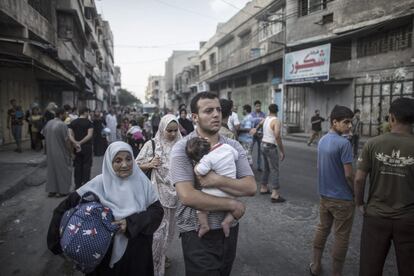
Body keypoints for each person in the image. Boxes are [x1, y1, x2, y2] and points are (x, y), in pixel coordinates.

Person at [170, 92, 256, 276]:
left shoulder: (233, 146)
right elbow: (187, 195)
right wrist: (233, 204)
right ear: (195, 117)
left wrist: (215, 180)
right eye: (208, 111)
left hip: (228, 230)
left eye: (218, 109)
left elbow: (250, 187)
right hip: (196, 232)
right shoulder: (184, 148)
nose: (216, 114)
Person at [47, 141, 164, 275]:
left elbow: (157, 211)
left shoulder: (142, 182)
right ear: (109, 162)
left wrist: (131, 223)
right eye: (118, 160)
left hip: (137, 253)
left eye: (128, 159)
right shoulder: (98, 183)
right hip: (103, 255)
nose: (124, 165)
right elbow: (64, 208)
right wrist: (56, 243)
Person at [354, 98, 414, 276]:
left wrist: (359, 203)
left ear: (391, 118)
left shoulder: (373, 143)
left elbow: (358, 179)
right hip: (409, 219)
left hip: (376, 217)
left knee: (370, 268)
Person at [309, 105, 354, 276]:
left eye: (351, 122)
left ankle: (316, 265)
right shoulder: (344, 144)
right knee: (341, 237)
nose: (349, 126)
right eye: (346, 122)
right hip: (342, 199)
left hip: (325, 196)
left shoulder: (322, 140)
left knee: (322, 229)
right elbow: (349, 175)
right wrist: (356, 193)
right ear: (334, 122)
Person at [136, 114, 182, 276]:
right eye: (169, 130)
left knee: (169, 232)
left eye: (175, 130)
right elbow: (135, 164)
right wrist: (150, 164)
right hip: (156, 196)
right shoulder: (153, 145)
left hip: (175, 197)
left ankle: (161, 256)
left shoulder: (180, 145)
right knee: (157, 232)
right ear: (162, 129)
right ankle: (153, 264)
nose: (172, 134)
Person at [185, 137, 238, 238]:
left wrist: (196, 166)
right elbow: (236, 156)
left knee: (200, 205)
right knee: (237, 209)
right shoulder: (226, 146)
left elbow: (200, 171)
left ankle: (204, 225)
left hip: (216, 192)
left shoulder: (207, 159)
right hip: (232, 191)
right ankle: (227, 221)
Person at [256, 104, 286, 203]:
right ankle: (275, 194)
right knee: (275, 169)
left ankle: (263, 187)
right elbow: (277, 136)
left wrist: (255, 130)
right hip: (270, 146)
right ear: (277, 111)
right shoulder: (276, 121)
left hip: (263, 144)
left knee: (267, 168)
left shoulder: (266, 119)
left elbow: (259, 124)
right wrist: (282, 150)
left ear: (269, 110)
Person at [41, 108, 73, 197]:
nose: (66, 116)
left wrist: (45, 151)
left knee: (52, 171)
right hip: (61, 152)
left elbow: (44, 137)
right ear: (61, 114)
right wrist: (71, 152)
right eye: (65, 114)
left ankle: (52, 191)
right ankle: (62, 191)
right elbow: (67, 141)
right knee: (63, 171)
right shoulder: (62, 125)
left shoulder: (48, 123)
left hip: (50, 152)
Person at [68, 107, 94, 189]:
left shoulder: (73, 123)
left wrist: (76, 142)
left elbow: (70, 135)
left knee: (77, 166)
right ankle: (86, 185)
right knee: (86, 165)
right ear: (85, 112)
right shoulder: (89, 123)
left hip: (76, 147)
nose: (88, 114)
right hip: (86, 147)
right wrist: (81, 142)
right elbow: (89, 135)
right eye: (88, 112)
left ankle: (77, 185)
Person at [251, 100, 266, 171]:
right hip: (253, 134)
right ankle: (249, 165)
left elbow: (264, 124)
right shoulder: (251, 114)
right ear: (254, 106)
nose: (258, 107)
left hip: (260, 135)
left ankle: (259, 166)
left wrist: (263, 133)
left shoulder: (263, 114)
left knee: (260, 151)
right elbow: (250, 124)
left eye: (259, 106)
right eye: (257, 106)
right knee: (250, 150)